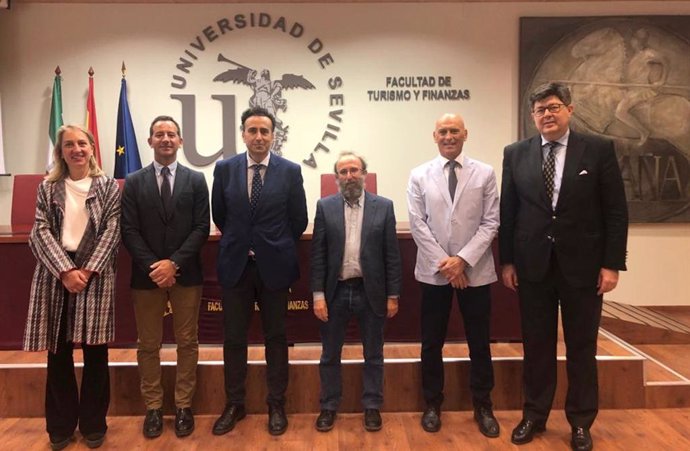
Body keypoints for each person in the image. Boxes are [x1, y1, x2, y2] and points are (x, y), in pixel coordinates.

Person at [499, 82, 628, 451]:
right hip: (532, 267)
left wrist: (611, 264)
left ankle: (581, 422)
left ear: (569, 109)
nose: (547, 115)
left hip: (584, 269)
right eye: (540, 110)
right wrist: (507, 260)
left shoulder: (598, 150)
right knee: (536, 345)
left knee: (581, 347)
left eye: (554, 107)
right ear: (532, 116)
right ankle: (534, 415)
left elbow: (615, 212)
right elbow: (509, 212)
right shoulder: (516, 154)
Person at [211, 106, 308, 436]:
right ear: (243, 134)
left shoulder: (290, 171)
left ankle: (276, 403)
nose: (258, 137)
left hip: (275, 267)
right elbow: (220, 216)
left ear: (273, 135)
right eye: (252, 131)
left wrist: (273, 245)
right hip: (236, 265)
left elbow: (298, 219)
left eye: (264, 131)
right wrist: (245, 242)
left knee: (276, 338)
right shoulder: (225, 170)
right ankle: (234, 404)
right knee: (234, 339)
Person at [24, 124, 121, 450]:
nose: (76, 149)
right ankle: (61, 427)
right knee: (58, 353)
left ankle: (94, 425)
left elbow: (112, 230)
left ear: (92, 147)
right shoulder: (46, 188)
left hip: (94, 274)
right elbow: (39, 231)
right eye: (69, 145)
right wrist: (66, 270)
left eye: (82, 143)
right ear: (61, 151)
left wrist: (88, 270)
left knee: (96, 354)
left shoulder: (108, 187)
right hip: (56, 274)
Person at [407, 113, 500, 438]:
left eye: (454, 131)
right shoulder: (419, 175)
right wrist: (447, 265)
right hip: (435, 273)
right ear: (434, 136)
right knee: (431, 342)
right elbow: (418, 224)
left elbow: (491, 222)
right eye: (443, 131)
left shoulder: (485, 173)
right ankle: (432, 404)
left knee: (479, 342)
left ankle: (483, 405)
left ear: (465, 134)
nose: (449, 136)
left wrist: (462, 260)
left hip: (474, 270)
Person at [121, 115, 210, 439]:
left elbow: (202, 227)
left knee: (188, 343)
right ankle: (154, 408)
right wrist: (155, 267)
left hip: (186, 275)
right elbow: (128, 230)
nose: (166, 139)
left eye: (171, 134)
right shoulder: (133, 181)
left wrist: (173, 263)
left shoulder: (197, 180)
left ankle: (184, 406)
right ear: (150, 141)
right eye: (159, 134)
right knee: (148, 345)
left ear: (180, 141)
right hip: (147, 279)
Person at [311, 151, 402, 432]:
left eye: (354, 170)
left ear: (364, 174)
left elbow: (392, 255)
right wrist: (318, 296)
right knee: (329, 355)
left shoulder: (384, 207)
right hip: (336, 291)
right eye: (343, 171)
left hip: (370, 291)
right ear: (336, 177)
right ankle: (328, 406)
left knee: (373, 353)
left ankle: (372, 406)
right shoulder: (325, 207)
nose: (349, 175)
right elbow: (318, 255)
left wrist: (393, 295)